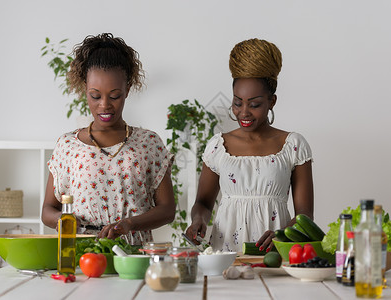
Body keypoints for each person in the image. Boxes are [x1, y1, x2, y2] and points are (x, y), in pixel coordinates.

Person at [41, 33, 176, 245]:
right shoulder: (68, 146)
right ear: (84, 89)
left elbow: (167, 210)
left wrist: (129, 224)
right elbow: (48, 210)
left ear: (127, 90)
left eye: (114, 96)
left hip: (133, 254)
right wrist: (63, 220)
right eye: (95, 96)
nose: (104, 105)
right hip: (82, 253)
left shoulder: (149, 143)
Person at [185, 38, 314, 252]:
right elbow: (203, 203)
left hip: (275, 252)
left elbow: (305, 216)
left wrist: (282, 235)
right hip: (225, 252)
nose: (243, 112)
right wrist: (198, 220)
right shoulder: (218, 146)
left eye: (254, 104)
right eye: (237, 102)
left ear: (272, 101)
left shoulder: (293, 145)